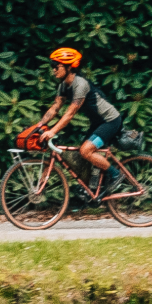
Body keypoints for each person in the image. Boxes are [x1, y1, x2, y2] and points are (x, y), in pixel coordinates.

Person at [35, 47, 124, 198]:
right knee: (80, 156)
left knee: (85, 151)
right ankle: (95, 189)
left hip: (110, 121)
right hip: (97, 123)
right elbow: (55, 108)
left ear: (69, 67)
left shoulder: (80, 84)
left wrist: (52, 131)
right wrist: (38, 126)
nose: (53, 70)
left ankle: (116, 175)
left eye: (56, 66)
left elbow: (70, 114)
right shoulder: (64, 85)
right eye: (52, 67)